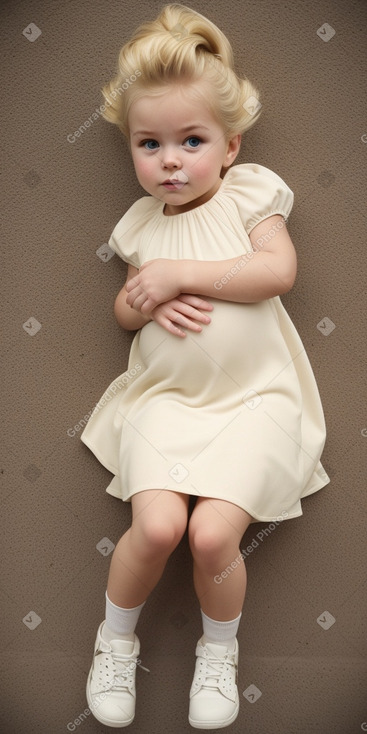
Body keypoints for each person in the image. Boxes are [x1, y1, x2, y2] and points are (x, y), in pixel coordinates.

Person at [81, 3, 330, 729]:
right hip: (167, 400)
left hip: (255, 402)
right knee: (157, 529)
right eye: (148, 143)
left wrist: (176, 276)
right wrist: (145, 300)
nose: (168, 160)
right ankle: (114, 642)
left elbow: (275, 271)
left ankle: (217, 656)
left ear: (228, 147)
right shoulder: (136, 227)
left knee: (213, 536)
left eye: (190, 141)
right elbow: (124, 312)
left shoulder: (251, 193)